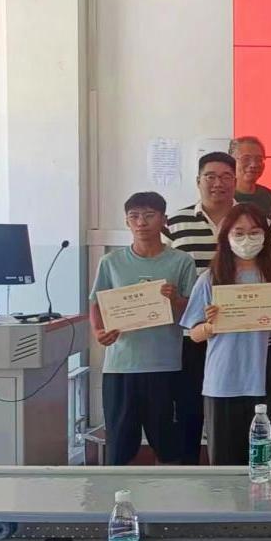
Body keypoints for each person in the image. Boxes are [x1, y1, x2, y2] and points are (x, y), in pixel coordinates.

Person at [180, 204, 271, 466]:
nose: (247, 239)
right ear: (226, 237)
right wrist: (211, 326)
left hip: (268, 375)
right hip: (224, 379)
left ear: (265, 235)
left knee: (266, 460)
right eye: (239, 233)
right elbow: (194, 334)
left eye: (254, 232)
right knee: (226, 465)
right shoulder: (210, 278)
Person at [89, 192, 196, 466]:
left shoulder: (181, 261)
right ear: (127, 221)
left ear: (164, 220)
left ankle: (169, 494)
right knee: (119, 447)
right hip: (121, 367)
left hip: (165, 366)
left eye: (149, 215)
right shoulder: (111, 262)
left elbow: (191, 312)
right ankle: (118, 493)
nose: (141, 222)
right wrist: (99, 331)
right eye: (134, 216)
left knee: (169, 446)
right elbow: (97, 303)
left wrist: (175, 299)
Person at [165, 151, 238, 464]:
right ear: (198, 181)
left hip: (239, 334)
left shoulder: (255, 220)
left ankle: (235, 478)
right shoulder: (175, 222)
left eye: (225, 176)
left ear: (235, 181)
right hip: (192, 334)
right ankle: (189, 478)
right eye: (210, 176)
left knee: (234, 411)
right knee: (189, 410)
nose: (218, 183)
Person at [230, 136, 271, 216]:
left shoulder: (268, 196)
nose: (253, 164)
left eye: (259, 159)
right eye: (246, 159)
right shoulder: (224, 195)